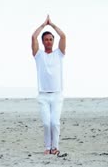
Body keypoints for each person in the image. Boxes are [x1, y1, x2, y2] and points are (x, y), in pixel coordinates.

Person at [31, 15, 66, 155]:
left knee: (55, 123)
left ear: (53, 41)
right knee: (46, 123)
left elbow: (63, 36)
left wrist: (52, 25)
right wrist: (43, 25)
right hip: (43, 95)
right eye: (46, 39)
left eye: (51, 39)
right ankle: (47, 147)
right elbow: (33, 37)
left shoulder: (59, 54)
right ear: (43, 42)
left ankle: (55, 147)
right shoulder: (38, 55)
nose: (49, 41)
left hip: (57, 95)